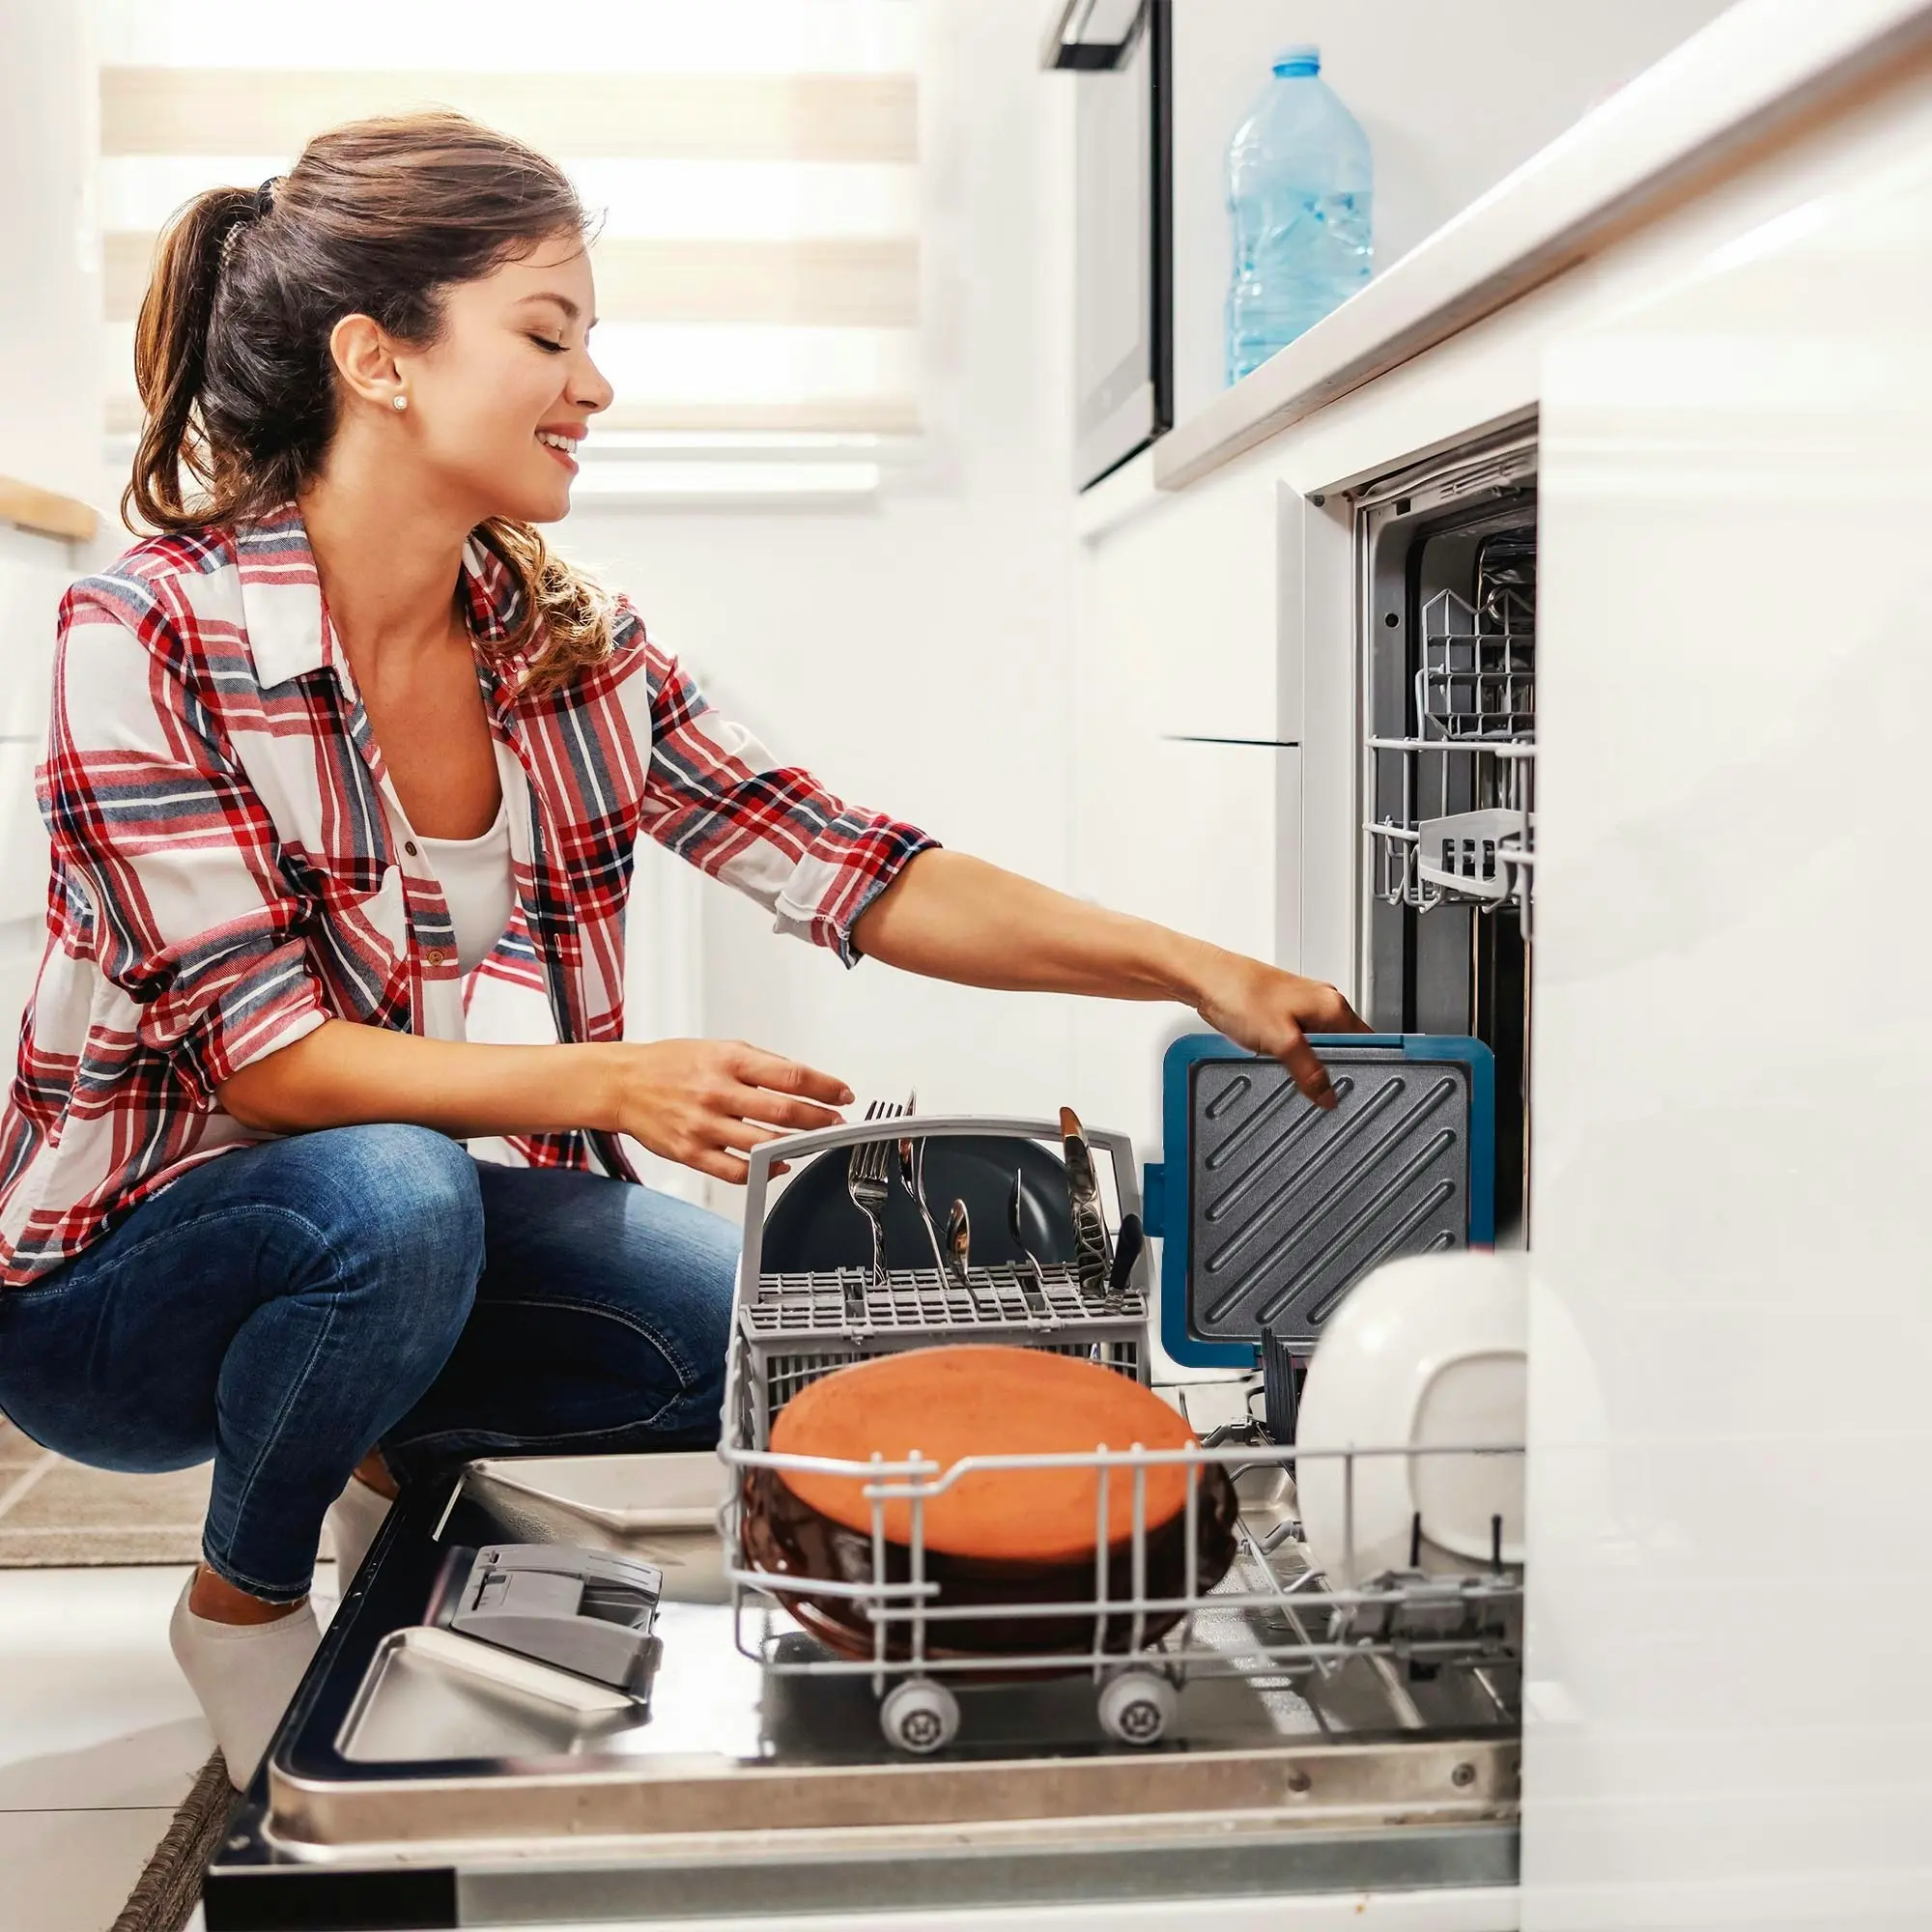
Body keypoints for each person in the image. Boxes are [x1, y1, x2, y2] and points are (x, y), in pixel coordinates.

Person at [0, 113, 1364, 1783]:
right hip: (105, 1294)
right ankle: (238, 1595)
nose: (596, 386)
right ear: (383, 362)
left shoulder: (563, 650)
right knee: (395, 1188)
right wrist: (615, 1082)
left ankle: (380, 1489)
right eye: (549, 335)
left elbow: (851, 864)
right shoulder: (145, 630)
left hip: (368, 1234)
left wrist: (1185, 964)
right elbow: (267, 1068)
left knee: (725, 1340)